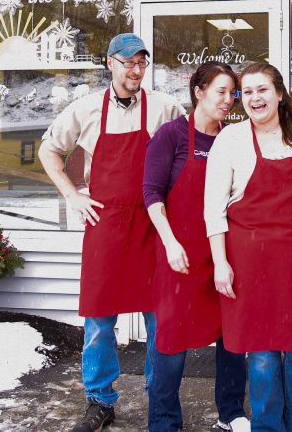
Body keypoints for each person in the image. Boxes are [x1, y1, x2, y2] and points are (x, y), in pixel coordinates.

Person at [39, 33, 185, 432]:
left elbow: (184, 157)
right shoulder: (85, 109)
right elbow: (48, 150)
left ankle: (162, 400)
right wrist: (72, 195)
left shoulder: (167, 107)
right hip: (105, 227)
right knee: (99, 319)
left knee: (158, 317)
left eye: (141, 62)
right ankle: (100, 400)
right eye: (127, 62)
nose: (135, 70)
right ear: (110, 63)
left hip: (153, 223)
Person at [205, 63, 292, 432]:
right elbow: (213, 211)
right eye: (246, 92)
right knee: (262, 355)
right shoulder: (231, 140)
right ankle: (267, 427)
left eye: (262, 89)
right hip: (252, 266)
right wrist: (221, 263)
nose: (254, 98)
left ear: (279, 94)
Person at [143, 62, 250, 432]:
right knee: (170, 341)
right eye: (220, 92)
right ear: (198, 91)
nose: (228, 100)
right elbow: (152, 194)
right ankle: (164, 421)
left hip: (223, 253)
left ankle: (231, 411)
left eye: (232, 93)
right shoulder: (170, 136)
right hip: (181, 253)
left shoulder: (234, 138)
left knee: (231, 336)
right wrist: (170, 242)